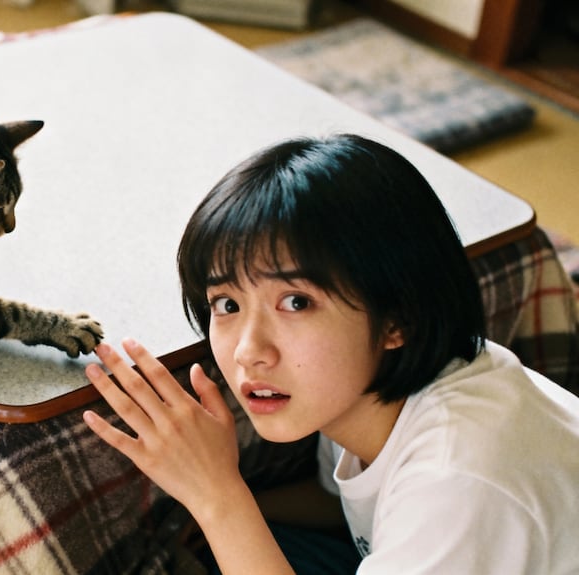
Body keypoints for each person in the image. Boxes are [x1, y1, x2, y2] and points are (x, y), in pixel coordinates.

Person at [82, 134, 579, 574]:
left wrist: (218, 497)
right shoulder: (359, 389)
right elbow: (340, 501)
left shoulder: (455, 480)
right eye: (227, 304)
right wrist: (226, 506)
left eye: (296, 302)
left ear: (397, 318)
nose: (250, 352)